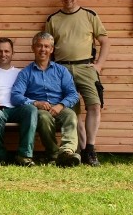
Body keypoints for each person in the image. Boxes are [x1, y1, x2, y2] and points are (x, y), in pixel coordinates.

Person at [44, 0, 110, 166]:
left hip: (86, 67)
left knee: (94, 106)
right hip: (61, 69)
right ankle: (80, 151)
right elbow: (47, 48)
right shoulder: (52, 19)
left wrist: (99, 65)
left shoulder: (90, 15)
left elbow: (105, 42)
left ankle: (91, 148)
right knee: (72, 111)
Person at [11, 32, 81, 167]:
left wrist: (60, 105)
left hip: (59, 107)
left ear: (52, 49)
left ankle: (67, 151)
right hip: (39, 109)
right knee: (43, 117)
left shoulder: (61, 71)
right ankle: (54, 154)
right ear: (33, 48)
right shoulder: (26, 73)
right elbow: (16, 96)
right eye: (39, 46)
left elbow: (73, 94)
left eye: (46, 46)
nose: (43, 49)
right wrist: (35, 103)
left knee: (71, 115)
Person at [0, 38, 39, 166]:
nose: (3, 54)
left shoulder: (20, 73)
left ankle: (24, 155)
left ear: (13, 53)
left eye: (7, 51)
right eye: (0, 51)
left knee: (31, 110)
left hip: (17, 109)